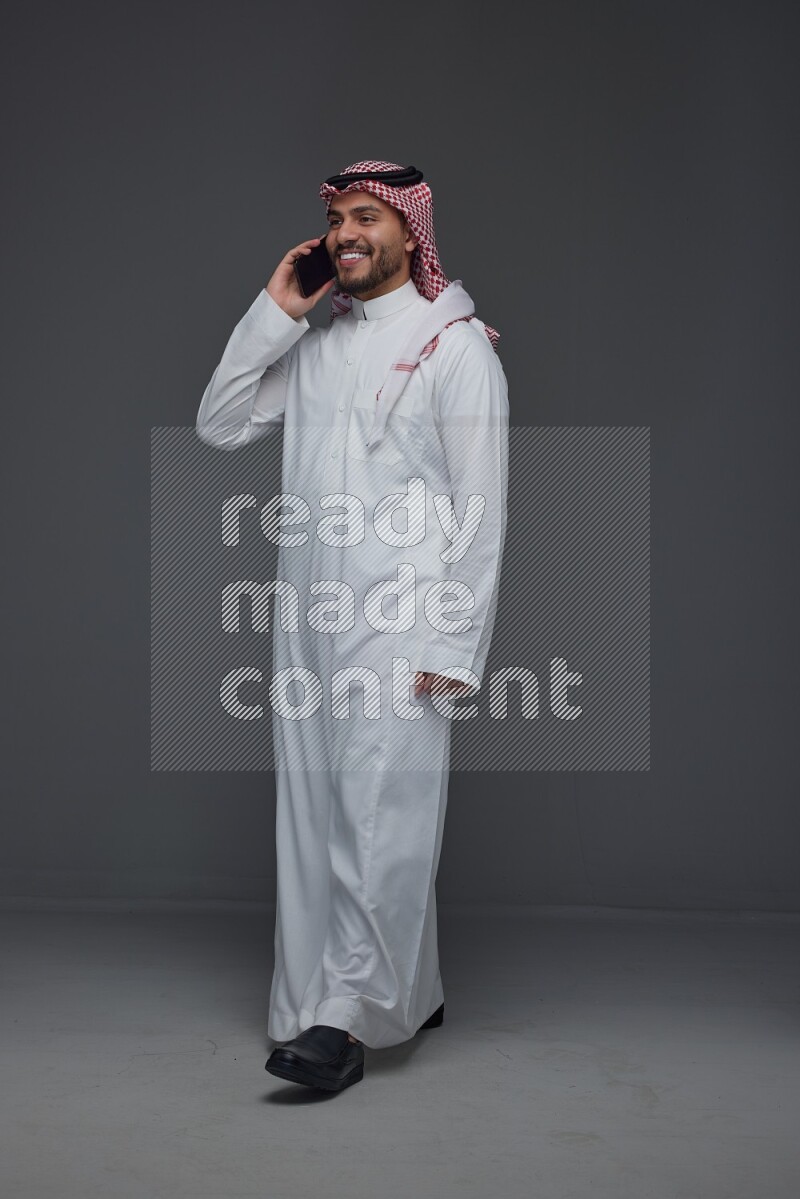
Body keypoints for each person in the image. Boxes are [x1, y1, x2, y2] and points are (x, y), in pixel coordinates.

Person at [196, 160, 509, 1092]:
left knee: (381, 815)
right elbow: (218, 423)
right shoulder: (322, 343)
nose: (345, 234)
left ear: (412, 231)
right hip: (308, 618)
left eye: (366, 216)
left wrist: (455, 644)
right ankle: (370, 991)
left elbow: (482, 510)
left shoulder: (456, 347)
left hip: (403, 624)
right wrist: (275, 311)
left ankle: (347, 1022)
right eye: (335, 219)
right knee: (315, 811)